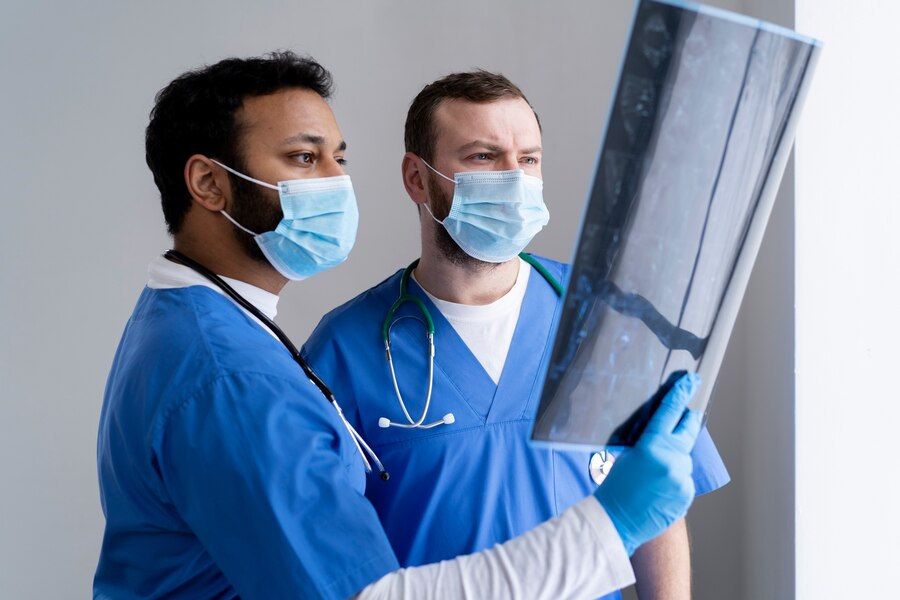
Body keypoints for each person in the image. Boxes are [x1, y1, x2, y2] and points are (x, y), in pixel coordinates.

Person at [94, 52, 708, 600]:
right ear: (207, 182)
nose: (336, 183)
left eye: (338, 158)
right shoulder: (242, 375)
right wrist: (614, 525)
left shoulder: (195, 331)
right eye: (305, 158)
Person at [302, 70, 731, 599]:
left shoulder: (607, 321)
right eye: (483, 157)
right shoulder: (343, 351)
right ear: (416, 177)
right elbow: (329, 558)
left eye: (527, 160)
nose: (514, 179)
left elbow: (657, 510)